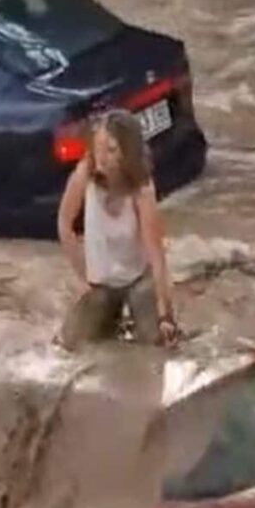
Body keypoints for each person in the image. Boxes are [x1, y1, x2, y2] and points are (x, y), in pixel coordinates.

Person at [56, 108, 179, 350]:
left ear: (127, 153)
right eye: (99, 147)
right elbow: (64, 224)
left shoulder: (141, 188)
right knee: (69, 345)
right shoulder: (85, 173)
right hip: (100, 282)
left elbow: (156, 253)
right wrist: (83, 277)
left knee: (157, 345)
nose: (102, 157)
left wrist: (165, 314)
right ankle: (109, 318)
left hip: (137, 279)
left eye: (111, 150)